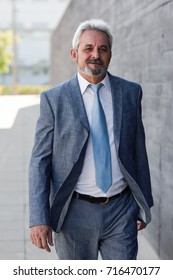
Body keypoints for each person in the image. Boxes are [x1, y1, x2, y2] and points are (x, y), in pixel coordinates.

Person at [29, 19, 153, 260]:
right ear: (74, 54)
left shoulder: (130, 93)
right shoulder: (54, 100)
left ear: (110, 55)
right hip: (73, 212)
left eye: (102, 49)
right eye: (88, 48)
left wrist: (142, 203)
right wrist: (38, 218)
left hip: (121, 210)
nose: (96, 55)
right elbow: (39, 162)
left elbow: (138, 150)